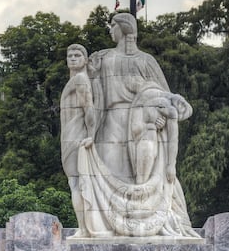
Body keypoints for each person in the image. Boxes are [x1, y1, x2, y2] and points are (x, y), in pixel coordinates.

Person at [66, 13, 197, 238]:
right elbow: (90, 94)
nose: (110, 31)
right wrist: (91, 131)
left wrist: (161, 117)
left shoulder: (146, 61)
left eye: (113, 26)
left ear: (123, 29)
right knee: (109, 177)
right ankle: (108, 229)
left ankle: (154, 224)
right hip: (110, 125)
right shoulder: (104, 59)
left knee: (144, 180)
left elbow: (166, 98)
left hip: (141, 125)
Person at [59, 44, 95, 228]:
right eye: (69, 55)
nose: (72, 58)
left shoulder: (81, 79)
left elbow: (89, 109)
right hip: (68, 138)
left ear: (85, 60)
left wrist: (92, 135)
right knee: (75, 184)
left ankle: (84, 228)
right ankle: (84, 228)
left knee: (77, 184)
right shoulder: (73, 80)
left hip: (78, 138)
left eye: (77, 55)